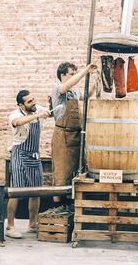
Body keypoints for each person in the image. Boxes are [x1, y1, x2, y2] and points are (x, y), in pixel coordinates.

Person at [51, 62, 97, 206]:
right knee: (61, 176)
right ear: (63, 75)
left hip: (75, 137)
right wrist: (85, 70)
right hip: (63, 138)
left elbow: (88, 94)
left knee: (73, 175)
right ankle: (58, 209)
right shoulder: (59, 89)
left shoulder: (73, 92)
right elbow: (68, 85)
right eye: (71, 74)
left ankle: (70, 209)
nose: (74, 76)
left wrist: (97, 79)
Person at [6, 90, 51, 239]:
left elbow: (50, 112)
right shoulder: (15, 114)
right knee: (16, 192)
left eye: (34, 99)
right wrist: (38, 115)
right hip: (19, 154)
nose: (34, 103)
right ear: (21, 105)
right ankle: (10, 226)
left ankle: (32, 224)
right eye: (29, 102)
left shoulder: (37, 108)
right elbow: (17, 123)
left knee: (36, 192)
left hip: (34, 155)